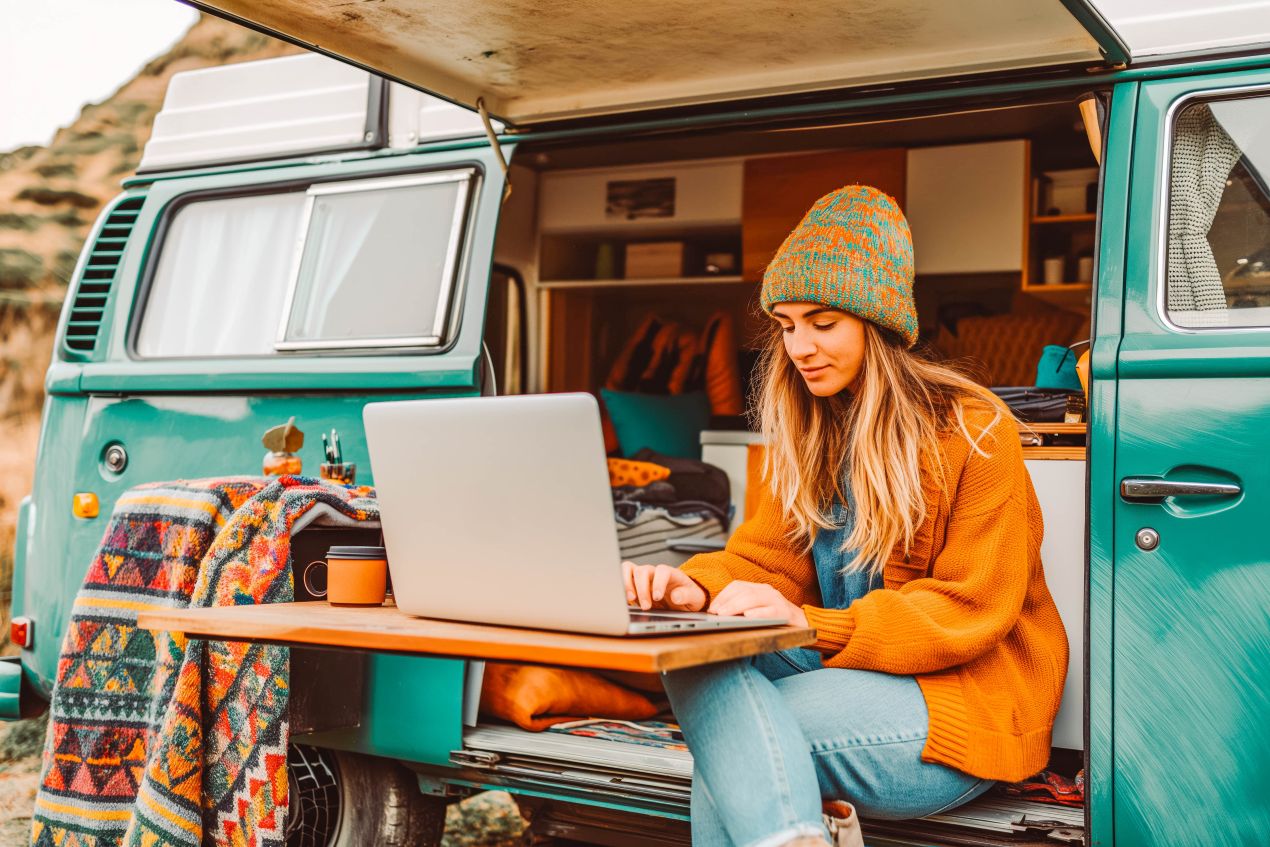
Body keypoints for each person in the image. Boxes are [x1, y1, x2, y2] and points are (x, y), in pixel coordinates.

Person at [622, 185, 1069, 847]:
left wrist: (812, 623)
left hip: (956, 699)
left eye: (822, 321)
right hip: (843, 673)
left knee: (743, 740)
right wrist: (696, 587)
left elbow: (968, 609)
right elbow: (761, 561)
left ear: (877, 323)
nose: (799, 345)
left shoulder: (975, 431)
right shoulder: (806, 432)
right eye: (785, 324)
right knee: (694, 658)